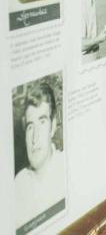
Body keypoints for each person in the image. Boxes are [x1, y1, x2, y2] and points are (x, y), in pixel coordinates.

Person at [14, 81, 66, 229]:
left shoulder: (67, 167)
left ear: (53, 126)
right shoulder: (18, 184)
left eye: (42, 122)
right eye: (30, 127)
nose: (34, 138)